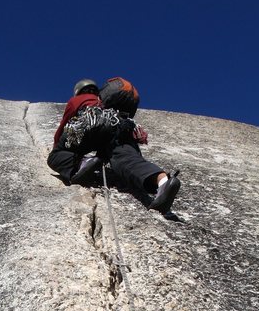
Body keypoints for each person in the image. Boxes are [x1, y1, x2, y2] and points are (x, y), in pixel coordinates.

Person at [47, 78, 181, 213]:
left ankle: (82, 163)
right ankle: (163, 181)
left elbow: (65, 126)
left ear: (78, 91)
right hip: (122, 127)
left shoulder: (78, 99)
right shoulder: (107, 102)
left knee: (55, 156)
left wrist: (58, 146)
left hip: (92, 123)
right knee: (127, 160)